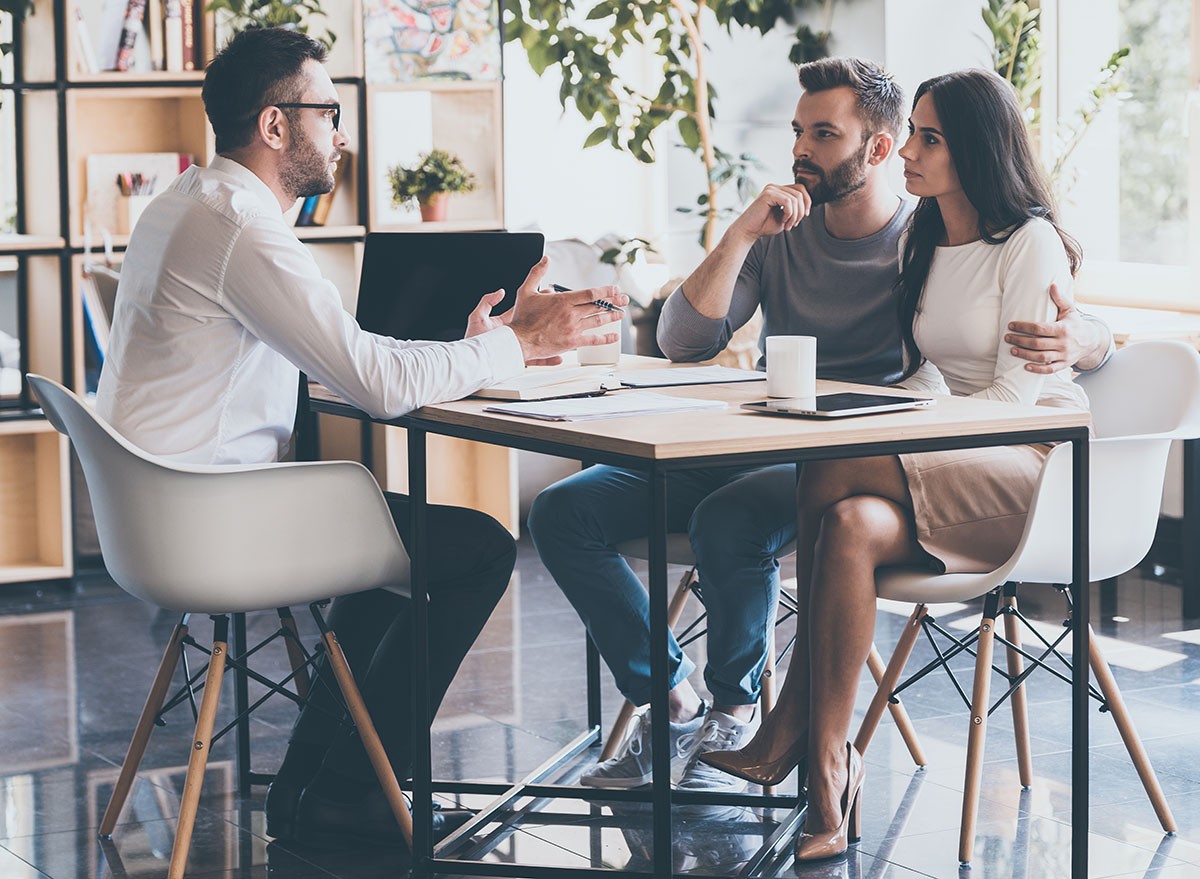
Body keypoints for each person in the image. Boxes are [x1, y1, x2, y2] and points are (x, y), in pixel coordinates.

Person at [95, 27, 627, 849]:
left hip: (162, 517)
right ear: (276, 126)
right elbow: (373, 383)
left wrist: (467, 346)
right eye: (329, 111)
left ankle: (323, 787)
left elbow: (345, 365)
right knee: (477, 547)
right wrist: (514, 341)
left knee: (383, 545)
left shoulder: (190, 206)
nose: (342, 132)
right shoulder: (242, 224)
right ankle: (349, 789)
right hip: (211, 524)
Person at [527, 56, 1112, 797]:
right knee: (563, 508)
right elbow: (682, 341)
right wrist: (743, 231)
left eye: (824, 134)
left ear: (875, 147)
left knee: (732, 517)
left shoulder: (922, 238)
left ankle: (742, 712)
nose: (801, 149)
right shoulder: (821, 233)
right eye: (798, 131)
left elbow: (1046, 313)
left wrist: (1091, 336)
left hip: (866, 457)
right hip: (757, 438)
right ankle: (671, 700)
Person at [702, 67, 1090, 862]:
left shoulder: (1029, 241)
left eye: (928, 138)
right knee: (846, 517)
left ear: (976, 150)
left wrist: (902, 426)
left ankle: (795, 735)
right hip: (950, 460)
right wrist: (895, 408)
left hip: (1026, 466)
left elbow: (1017, 399)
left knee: (830, 464)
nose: (906, 150)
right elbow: (930, 371)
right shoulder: (925, 235)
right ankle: (829, 775)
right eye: (911, 130)